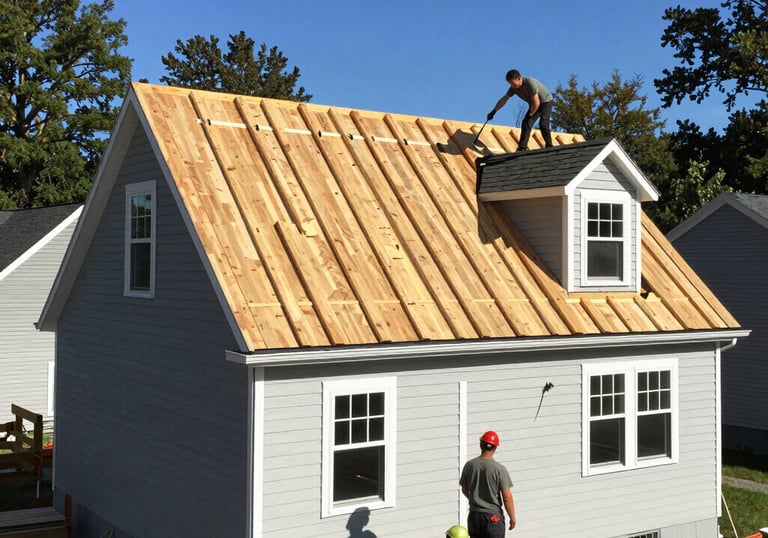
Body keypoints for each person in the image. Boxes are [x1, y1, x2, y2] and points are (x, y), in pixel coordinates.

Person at [459, 431, 516, 537]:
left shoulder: (469, 466)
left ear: (481, 445)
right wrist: (512, 518)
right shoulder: (499, 469)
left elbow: (464, 490)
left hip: (474, 516)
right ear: (495, 448)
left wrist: (476, 499)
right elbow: (507, 497)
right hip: (492, 518)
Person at [486, 69, 553, 151]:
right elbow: (504, 99)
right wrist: (494, 111)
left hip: (545, 102)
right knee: (526, 123)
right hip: (534, 104)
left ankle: (549, 146)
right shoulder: (513, 88)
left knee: (543, 124)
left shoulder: (530, 83)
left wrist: (530, 115)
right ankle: (522, 147)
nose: (512, 85)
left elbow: (537, 102)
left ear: (519, 78)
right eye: (510, 84)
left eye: (513, 83)